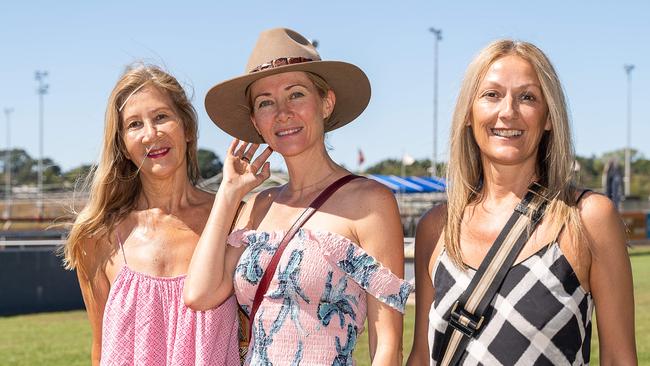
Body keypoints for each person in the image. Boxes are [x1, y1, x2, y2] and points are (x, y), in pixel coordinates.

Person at [184, 28, 413, 365]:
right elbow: (199, 294)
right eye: (265, 102)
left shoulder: (370, 202)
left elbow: (388, 345)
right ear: (256, 123)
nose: (282, 112)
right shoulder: (256, 207)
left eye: (296, 94)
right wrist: (228, 194)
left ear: (326, 102)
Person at [407, 40, 637, 365]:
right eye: (492, 95)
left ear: (548, 118)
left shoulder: (587, 218)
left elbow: (618, 358)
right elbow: (421, 356)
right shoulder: (436, 227)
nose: (508, 112)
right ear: (469, 114)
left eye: (527, 97)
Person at [63, 64, 240, 366]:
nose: (151, 134)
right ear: (122, 144)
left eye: (161, 117)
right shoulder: (98, 236)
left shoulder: (237, 219)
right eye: (134, 124)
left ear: (187, 128)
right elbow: (101, 350)